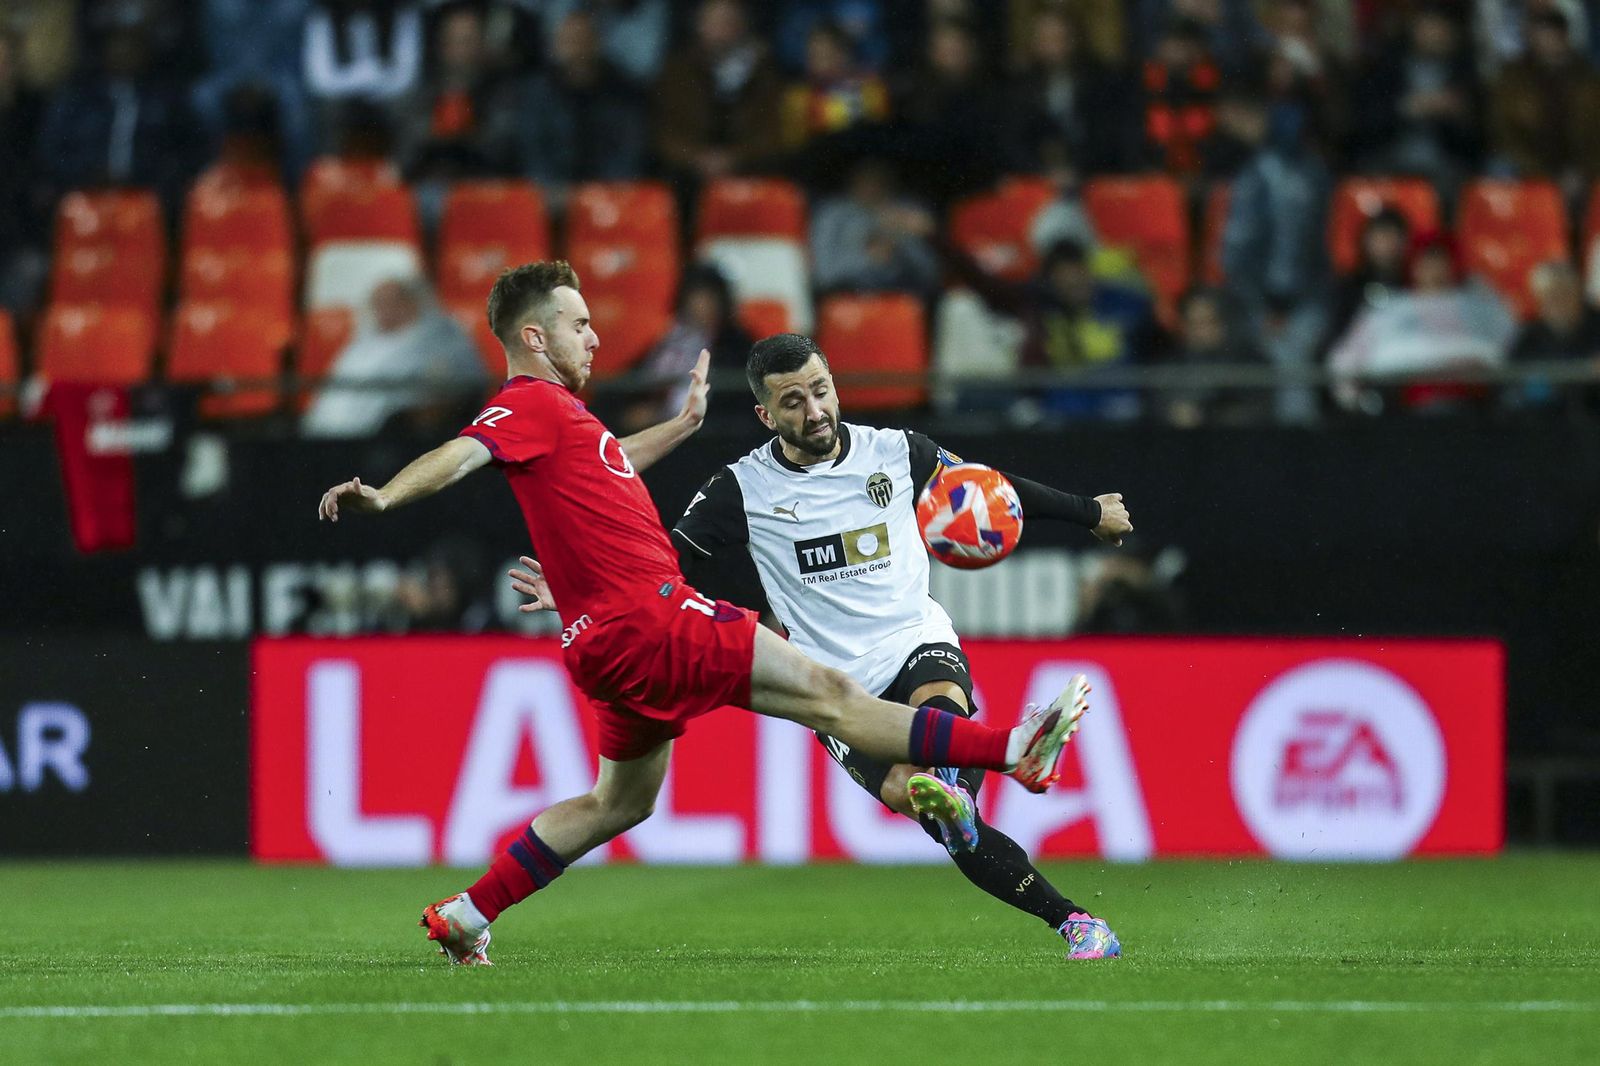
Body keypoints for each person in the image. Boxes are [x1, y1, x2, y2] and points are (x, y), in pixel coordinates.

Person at [315, 260, 1093, 965]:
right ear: (534, 336)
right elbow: (466, 450)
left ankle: (468, 912)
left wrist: (680, 427)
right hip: (659, 618)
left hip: (599, 645)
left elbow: (610, 465)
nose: (593, 336)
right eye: (578, 324)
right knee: (835, 697)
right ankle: (1013, 747)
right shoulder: (526, 405)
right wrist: (386, 493)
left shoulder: (566, 424)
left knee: (617, 801)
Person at [509, 331, 1131, 959]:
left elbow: (988, 489)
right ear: (765, 414)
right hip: (835, 689)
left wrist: (1087, 511)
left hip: (915, 637)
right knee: (937, 817)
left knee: (938, 702)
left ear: (834, 384)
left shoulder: (897, 450)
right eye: (793, 402)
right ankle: (1032, 874)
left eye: (822, 391)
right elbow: (654, 564)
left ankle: (1033, 871)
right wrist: (577, 591)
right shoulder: (740, 489)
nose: (814, 412)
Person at [302, 276, 486, 438]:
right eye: (377, 303)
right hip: (330, 438)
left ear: (412, 302)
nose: (382, 310)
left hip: (396, 439)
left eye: (390, 302)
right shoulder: (362, 344)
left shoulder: (443, 337)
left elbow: (455, 388)